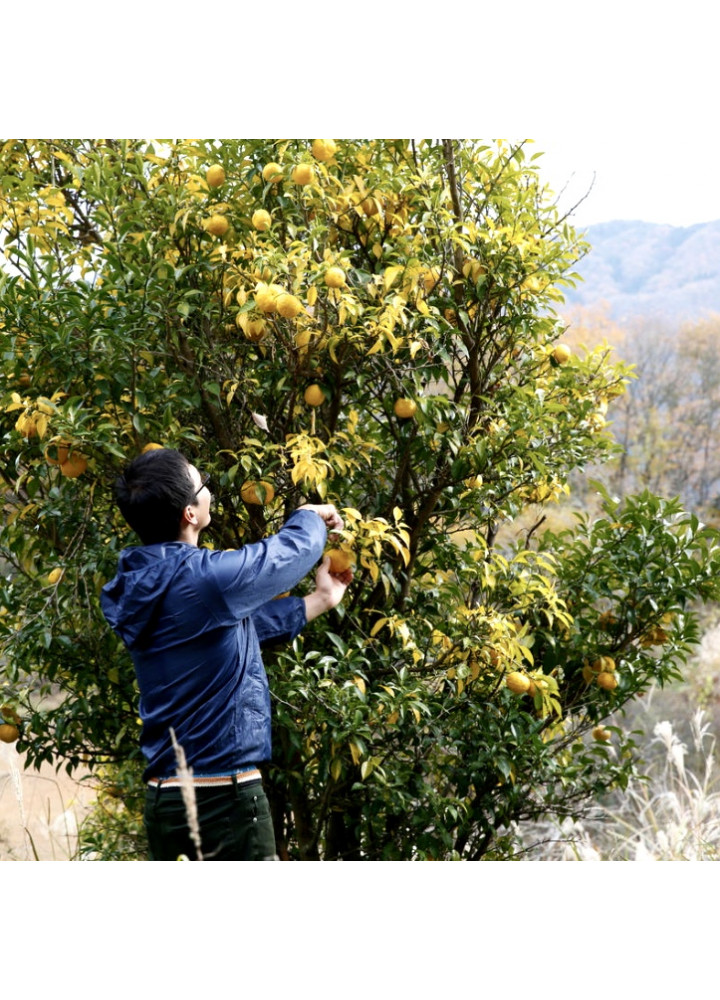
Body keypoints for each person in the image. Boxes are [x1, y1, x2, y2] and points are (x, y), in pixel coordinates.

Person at [100, 448, 351, 860]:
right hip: (223, 802)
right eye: (202, 486)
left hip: (166, 802)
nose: (209, 492)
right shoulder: (202, 579)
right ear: (190, 514)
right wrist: (308, 515)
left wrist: (320, 600)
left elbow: (233, 631)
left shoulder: (144, 584)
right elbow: (282, 557)